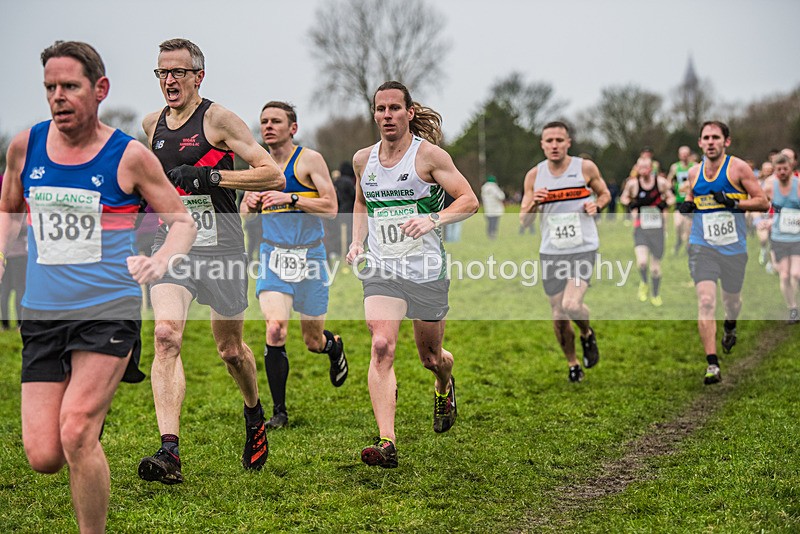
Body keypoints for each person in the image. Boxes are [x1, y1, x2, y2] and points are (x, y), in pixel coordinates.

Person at [0, 40, 196, 533]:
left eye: (70, 86)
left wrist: (160, 259)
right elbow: (9, 209)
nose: (58, 97)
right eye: (50, 87)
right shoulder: (25, 146)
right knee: (44, 455)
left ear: (99, 89)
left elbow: (183, 221)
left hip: (108, 308)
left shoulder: (128, 156)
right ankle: (83, 432)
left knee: (77, 432)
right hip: (43, 312)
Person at [138, 38, 285, 484]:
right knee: (165, 336)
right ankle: (169, 451)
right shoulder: (152, 124)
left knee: (230, 351)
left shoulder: (217, 119)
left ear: (198, 76)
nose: (169, 80)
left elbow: (272, 173)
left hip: (221, 249)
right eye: (162, 72)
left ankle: (254, 413)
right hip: (174, 246)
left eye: (178, 72)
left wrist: (211, 174)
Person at [346, 81, 478, 468]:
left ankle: (444, 382)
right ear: (374, 114)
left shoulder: (429, 157)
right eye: (380, 109)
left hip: (425, 270)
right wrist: (357, 242)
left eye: (394, 109)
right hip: (383, 268)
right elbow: (359, 202)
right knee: (381, 345)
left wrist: (432, 218)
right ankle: (387, 442)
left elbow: (469, 200)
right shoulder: (362, 160)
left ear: (409, 112)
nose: (387, 116)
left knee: (431, 357)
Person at [240, 101, 348, 430]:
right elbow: (243, 213)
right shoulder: (256, 166)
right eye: (264, 121)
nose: (268, 126)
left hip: (311, 256)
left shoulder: (309, 160)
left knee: (312, 341)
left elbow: (331, 208)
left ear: (293, 128)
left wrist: (292, 198)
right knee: (275, 328)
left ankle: (334, 347)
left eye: (276, 121)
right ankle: (279, 412)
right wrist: (251, 202)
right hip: (273, 257)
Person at [677, 121, 768, 384]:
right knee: (706, 301)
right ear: (700, 143)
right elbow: (693, 195)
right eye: (706, 137)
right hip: (702, 246)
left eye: (716, 137)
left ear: (726, 141)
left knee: (732, 302)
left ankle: (730, 326)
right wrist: (687, 205)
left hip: (733, 249)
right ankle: (712, 364)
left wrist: (734, 202)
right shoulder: (694, 172)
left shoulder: (738, 168)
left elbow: (763, 202)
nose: (710, 142)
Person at [520, 121, 611, 383]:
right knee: (559, 314)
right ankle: (572, 363)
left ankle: (586, 333)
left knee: (571, 304)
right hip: (551, 251)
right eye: (549, 141)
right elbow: (523, 221)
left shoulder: (585, 168)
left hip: (583, 247)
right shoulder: (534, 176)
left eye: (560, 140)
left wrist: (597, 205)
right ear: (542, 144)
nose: (554, 145)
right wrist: (534, 203)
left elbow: (604, 194)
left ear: (568, 142)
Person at [620, 157, 674, 306]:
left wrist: (665, 204)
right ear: (637, 168)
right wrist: (631, 203)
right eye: (640, 167)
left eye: (646, 167)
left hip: (657, 230)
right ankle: (644, 283)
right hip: (641, 228)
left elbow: (671, 198)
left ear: (651, 168)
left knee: (655, 268)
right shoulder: (633, 184)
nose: (643, 170)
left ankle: (655, 295)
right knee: (642, 262)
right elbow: (623, 198)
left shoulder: (661, 183)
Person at [764, 154, 800, 324]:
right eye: (778, 170)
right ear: (774, 170)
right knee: (784, 276)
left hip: (797, 237)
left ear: (791, 167)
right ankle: (792, 308)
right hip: (779, 237)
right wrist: (762, 220)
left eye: (785, 169)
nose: (782, 172)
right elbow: (759, 203)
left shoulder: (798, 185)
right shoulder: (770, 186)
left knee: (796, 273)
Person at [0, 174, 28, 329]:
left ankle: (13, 324)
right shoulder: (16, 211)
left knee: (14, 291)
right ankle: (9, 324)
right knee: (11, 291)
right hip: (16, 256)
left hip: (13, 255)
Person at [666, 146, 696, 254]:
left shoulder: (695, 166)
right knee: (678, 225)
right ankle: (678, 242)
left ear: (689, 154)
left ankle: (688, 248)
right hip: (679, 201)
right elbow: (668, 181)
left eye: (686, 153)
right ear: (679, 155)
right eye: (682, 154)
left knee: (688, 230)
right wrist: (670, 190)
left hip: (690, 202)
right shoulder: (675, 167)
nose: (684, 156)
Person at [480, 175, 505, 239]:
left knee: (489, 223)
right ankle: (493, 235)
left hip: (487, 209)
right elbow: (501, 196)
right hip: (495, 209)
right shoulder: (494, 187)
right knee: (495, 223)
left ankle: (489, 234)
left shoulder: (484, 188)